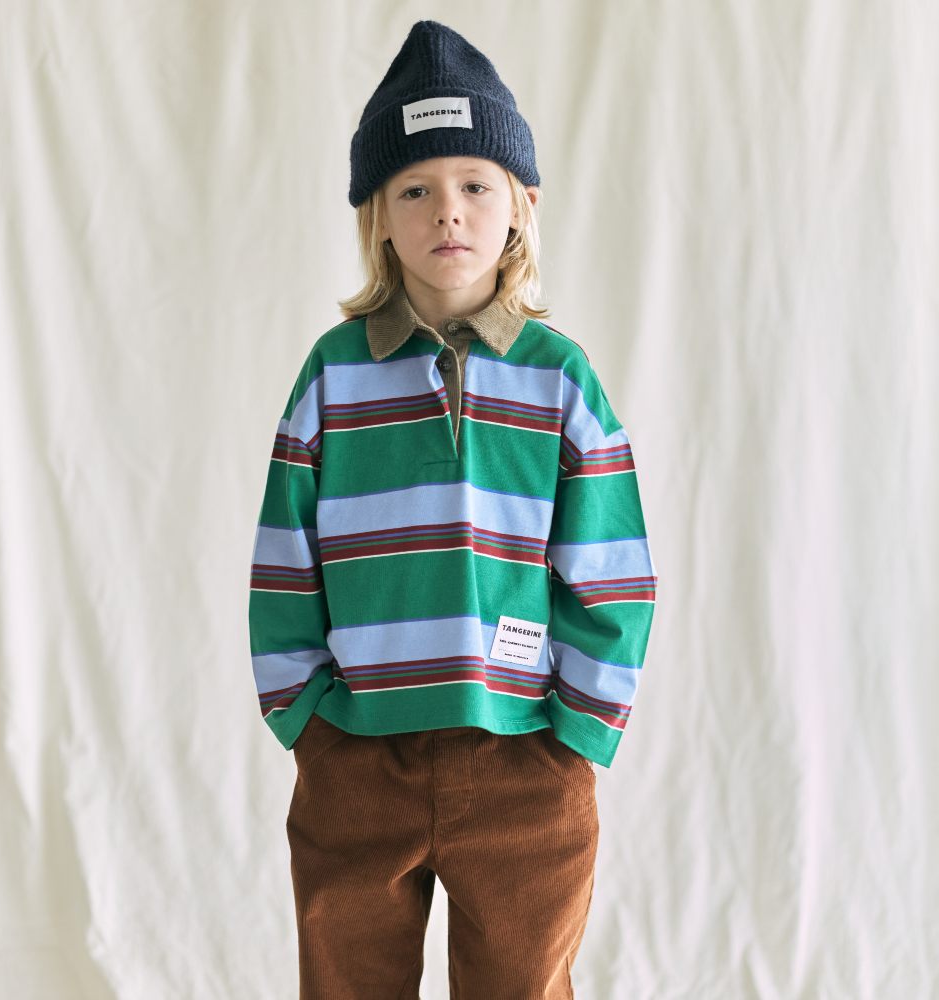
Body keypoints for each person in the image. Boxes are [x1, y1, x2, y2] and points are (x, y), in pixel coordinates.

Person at [247, 19, 658, 999]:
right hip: (358, 758)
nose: (449, 212)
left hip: (527, 761)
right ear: (377, 217)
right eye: (416, 189)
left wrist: (579, 730)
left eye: (476, 184)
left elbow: (613, 566)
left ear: (520, 205)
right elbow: (282, 556)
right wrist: (306, 718)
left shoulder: (558, 377)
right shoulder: (334, 374)